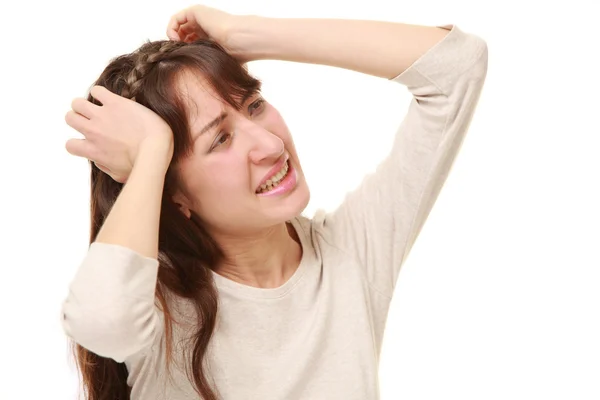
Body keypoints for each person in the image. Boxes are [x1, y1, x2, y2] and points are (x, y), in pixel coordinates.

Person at [61, 4, 488, 400]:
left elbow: (457, 65)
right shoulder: (159, 309)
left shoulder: (349, 256)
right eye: (221, 138)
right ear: (173, 194)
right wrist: (151, 155)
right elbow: (101, 324)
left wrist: (248, 35)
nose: (269, 143)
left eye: (255, 104)